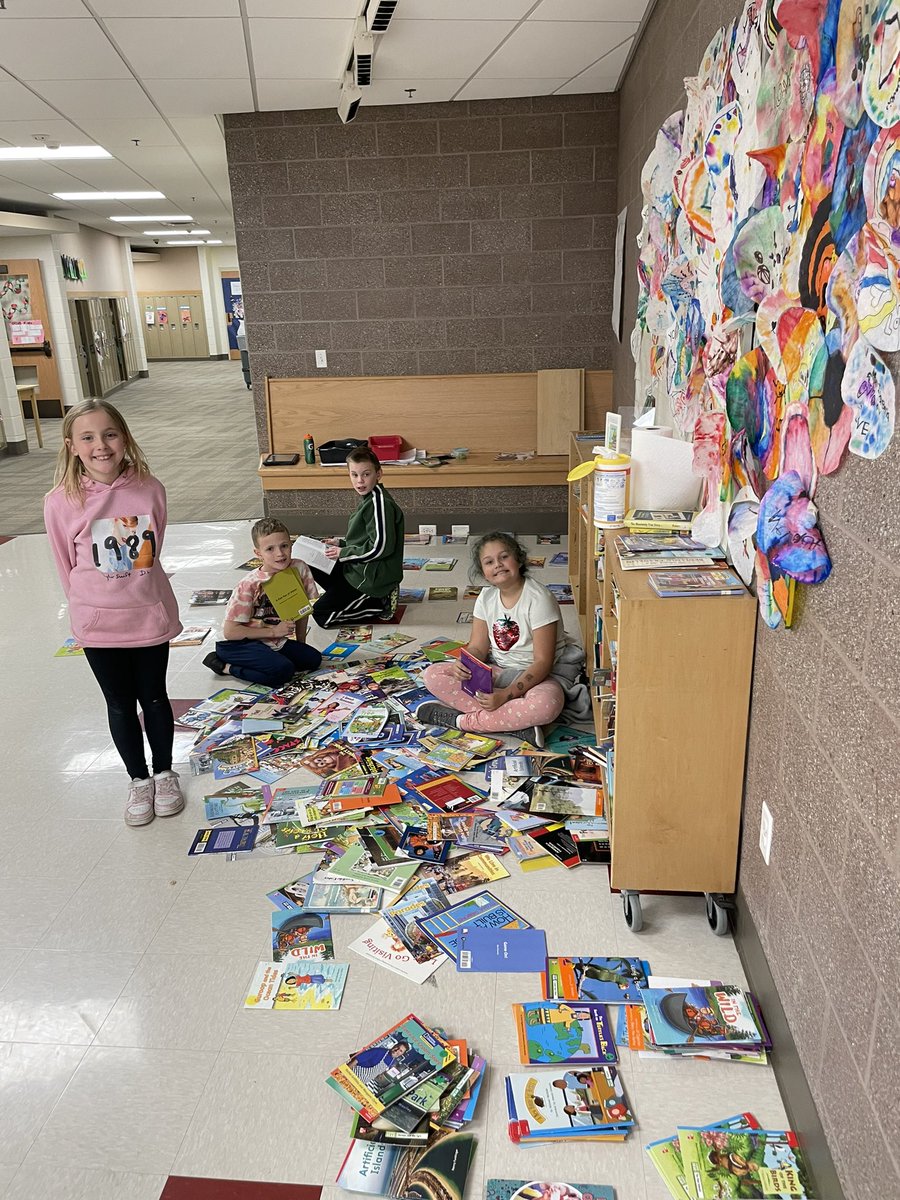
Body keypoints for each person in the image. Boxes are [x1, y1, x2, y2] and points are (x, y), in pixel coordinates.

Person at [43, 399, 185, 828]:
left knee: (156, 697)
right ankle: (138, 778)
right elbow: (65, 565)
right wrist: (91, 608)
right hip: (99, 624)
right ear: (71, 446)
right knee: (120, 704)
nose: (100, 446)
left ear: (124, 438)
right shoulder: (59, 501)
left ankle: (164, 772)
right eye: (87, 437)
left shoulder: (149, 488)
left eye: (109, 434)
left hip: (147, 615)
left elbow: (153, 546)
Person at [417, 533, 589, 748]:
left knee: (546, 706)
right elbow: (478, 647)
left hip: (539, 676)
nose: (497, 565)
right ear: (484, 573)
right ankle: (515, 724)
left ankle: (461, 721)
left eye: (504, 557)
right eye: (489, 562)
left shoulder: (539, 598)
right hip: (498, 669)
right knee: (432, 675)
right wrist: (465, 663)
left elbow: (543, 662)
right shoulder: (485, 597)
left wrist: (507, 695)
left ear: (518, 559)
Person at [203, 518, 323, 686]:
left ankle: (270, 659)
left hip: (275, 641)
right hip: (244, 643)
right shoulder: (249, 585)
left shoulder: (299, 568)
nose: (280, 554)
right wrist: (274, 632)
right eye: (270, 549)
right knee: (283, 672)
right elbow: (230, 632)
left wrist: (300, 644)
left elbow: (302, 611)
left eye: (284, 546)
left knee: (313, 660)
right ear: (258, 553)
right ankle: (224, 666)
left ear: (291, 544)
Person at [309, 446, 404, 627]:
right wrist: (340, 543)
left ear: (379, 474)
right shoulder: (369, 499)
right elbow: (366, 540)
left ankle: (377, 603)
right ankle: (344, 595)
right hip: (357, 570)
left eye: (366, 474)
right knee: (312, 558)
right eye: (354, 475)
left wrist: (343, 552)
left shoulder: (379, 503)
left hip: (371, 579)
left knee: (321, 615)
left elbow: (380, 547)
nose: (360, 481)